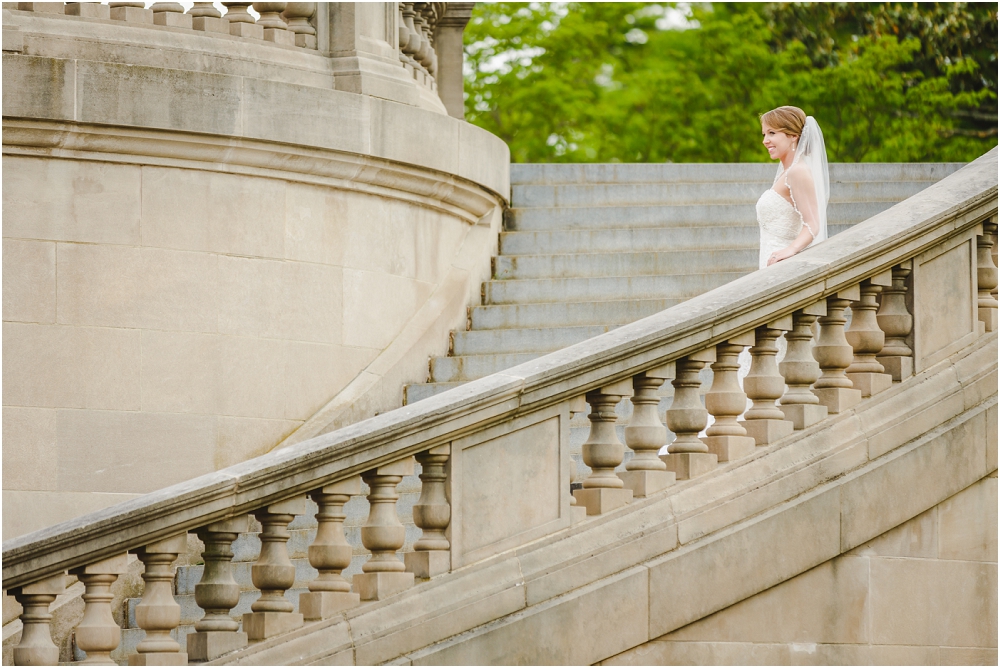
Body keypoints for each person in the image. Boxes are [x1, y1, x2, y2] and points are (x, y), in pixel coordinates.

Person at [756, 106, 829, 269]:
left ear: (793, 135)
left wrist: (790, 250)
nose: (765, 140)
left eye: (772, 133)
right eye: (764, 134)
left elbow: (813, 225)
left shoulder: (797, 172)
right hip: (770, 261)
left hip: (782, 264)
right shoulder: (787, 172)